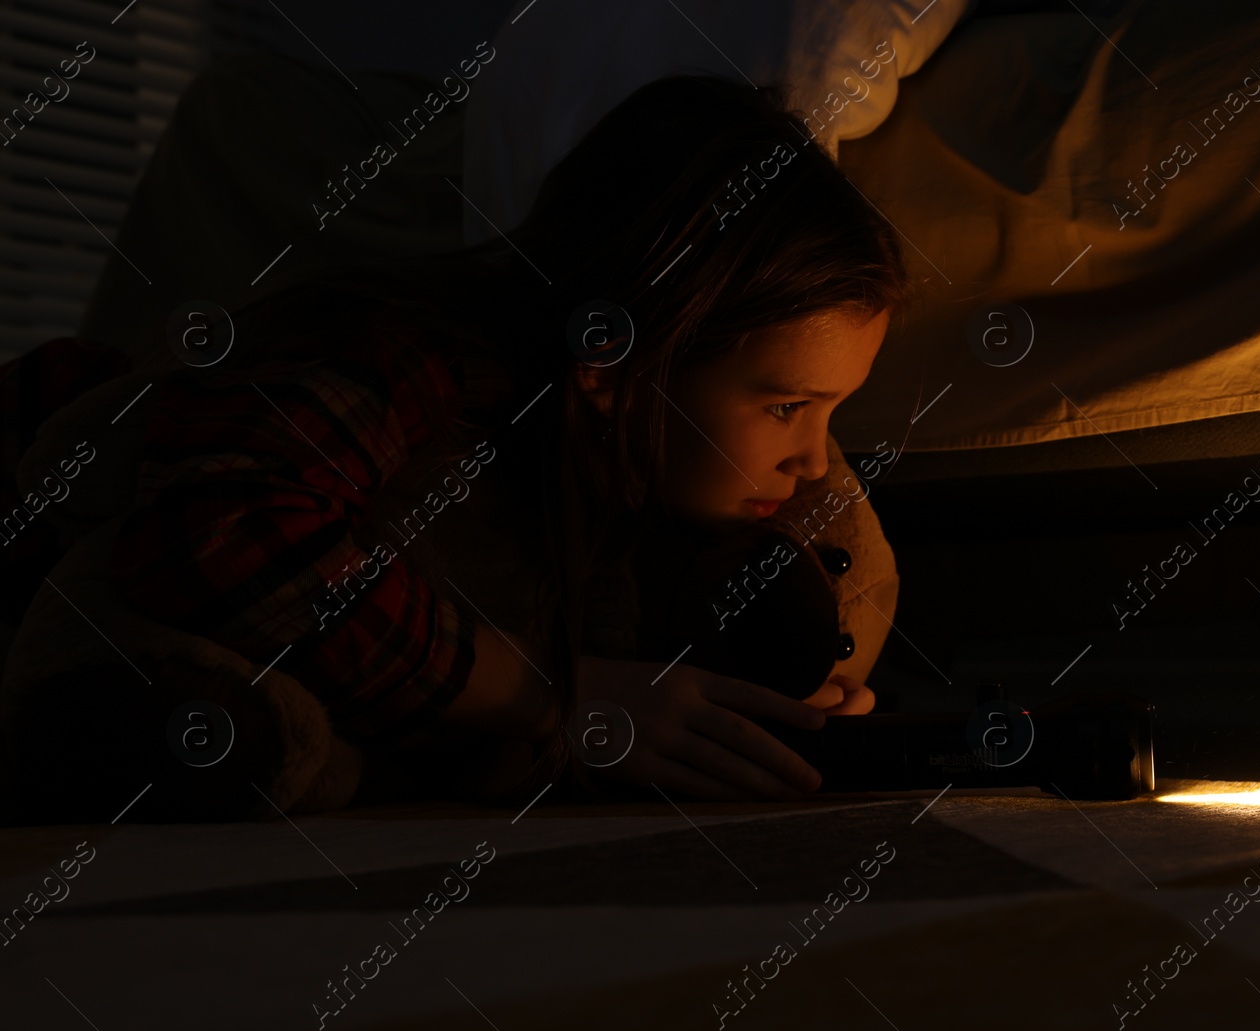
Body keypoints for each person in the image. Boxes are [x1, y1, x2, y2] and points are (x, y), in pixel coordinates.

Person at [3, 74, 911, 808]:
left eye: (832, 414)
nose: (816, 462)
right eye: (788, 407)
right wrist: (560, 692)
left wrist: (760, 707)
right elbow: (222, 529)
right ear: (611, 367)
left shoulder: (660, 477)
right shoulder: (410, 359)